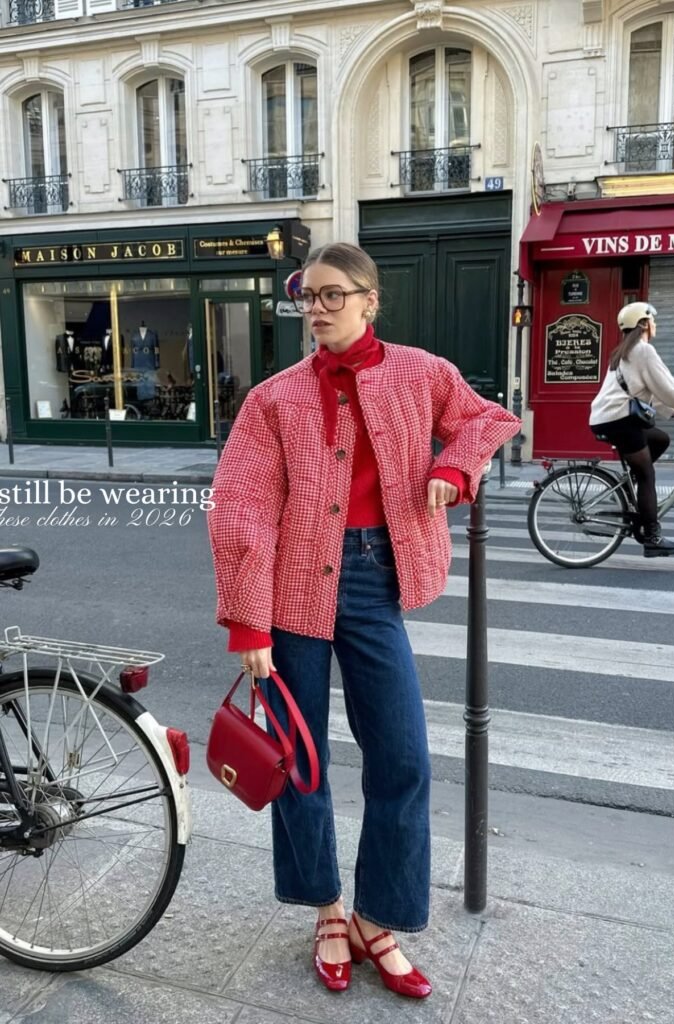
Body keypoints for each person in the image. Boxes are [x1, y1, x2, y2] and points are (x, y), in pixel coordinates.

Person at [207, 243, 520, 998]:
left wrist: (452, 469)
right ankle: (325, 909)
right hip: (291, 593)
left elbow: (486, 419)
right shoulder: (274, 398)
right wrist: (249, 623)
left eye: (331, 295)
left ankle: (376, 918)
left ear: (369, 301)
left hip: (378, 582)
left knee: (403, 760)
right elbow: (242, 504)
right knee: (299, 764)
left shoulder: (420, 372)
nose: (316, 308)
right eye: (306, 296)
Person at [589, 301, 674, 557]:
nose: (656, 325)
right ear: (644, 323)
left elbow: (655, 389)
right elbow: (669, 387)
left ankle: (634, 489)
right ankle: (652, 537)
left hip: (608, 417)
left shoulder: (625, 351)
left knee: (660, 439)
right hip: (619, 420)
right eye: (653, 320)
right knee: (647, 475)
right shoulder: (642, 351)